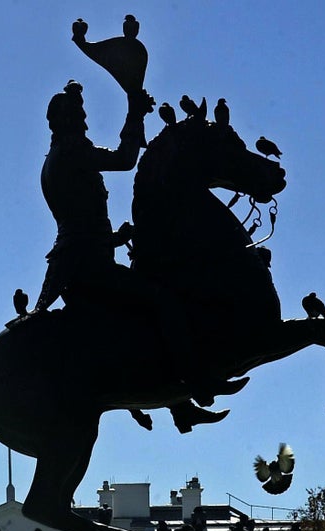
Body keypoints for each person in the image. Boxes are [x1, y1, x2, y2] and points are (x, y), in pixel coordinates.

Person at [31, 80, 238, 407]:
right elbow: (125, 159)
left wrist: (115, 238)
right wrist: (135, 112)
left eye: (82, 114)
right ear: (66, 120)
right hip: (88, 268)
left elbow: (78, 223)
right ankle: (195, 382)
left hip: (79, 261)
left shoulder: (57, 157)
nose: (85, 121)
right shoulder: (73, 150)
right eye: (79, 115)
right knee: (164, 300)